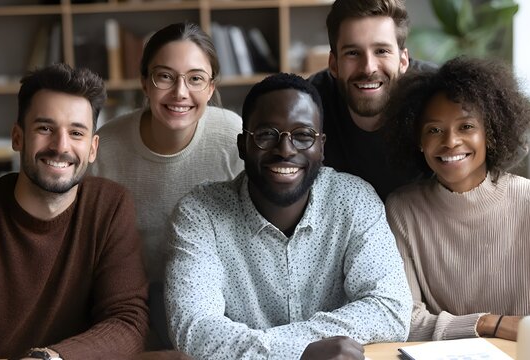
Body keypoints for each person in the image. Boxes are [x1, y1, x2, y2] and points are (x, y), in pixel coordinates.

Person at [165, 73, 411, 359]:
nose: (285, 150)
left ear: (322, 147)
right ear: (243, 145)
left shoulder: (354, 201)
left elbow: (390, 309)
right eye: (267, 134)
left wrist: (267, 348)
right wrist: (300, 352)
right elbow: (193, 331)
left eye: (303, 136)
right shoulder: (199, 213)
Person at [0, 64, 149, 359]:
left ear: (93, 148)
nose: (60, 146)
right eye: (45, 128)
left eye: (76, 132)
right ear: (18, 137)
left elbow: (127, 321)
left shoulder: (110, 206)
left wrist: (50, 358)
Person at [383, 56, 530, 342]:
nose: (450, 141)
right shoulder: (403, 210)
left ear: (490, 134)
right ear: (418, 141)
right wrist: (488, 324)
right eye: (434, 130)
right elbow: (404, 319)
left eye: (466, 126)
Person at [89, 22, 243, 351]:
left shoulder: (233, 136)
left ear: (211, 86)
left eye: (195, 79)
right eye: (165, 77)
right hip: (134, 305)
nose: (180, 93)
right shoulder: (106, 149)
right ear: (144, 82)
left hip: (220, 303)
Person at [308, 0, 435, 201]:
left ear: (403, 61)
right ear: (333, 64)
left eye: (381, 51)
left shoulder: (438, 94)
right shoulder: (307, 105)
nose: (368, 68)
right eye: (353, 53)